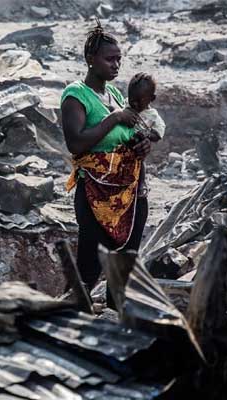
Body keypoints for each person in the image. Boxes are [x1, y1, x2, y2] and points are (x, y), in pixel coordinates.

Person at [61, 22, 151, 293]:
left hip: (129, 193)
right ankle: (74, 324)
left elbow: (127, 134)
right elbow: (76, 144)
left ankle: (116, 322)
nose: (116, 65)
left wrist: (142, 145)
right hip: (95, 194)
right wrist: (114, 118)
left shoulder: (113, 94)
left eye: (119, 59)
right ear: (91, 60)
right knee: (88, 268)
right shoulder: (76, 95)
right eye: (110, 59)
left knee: (123, 268)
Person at [127, 72, 166, 197]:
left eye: (139, 101)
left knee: (140, 164)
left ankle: (141, 184)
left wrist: (146, 134)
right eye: (131, 100)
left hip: (137, 148)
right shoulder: (124, 105)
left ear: (152, 99)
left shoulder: (153, 116)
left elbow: (159, 133)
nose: (135, 105)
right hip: (122, 146)